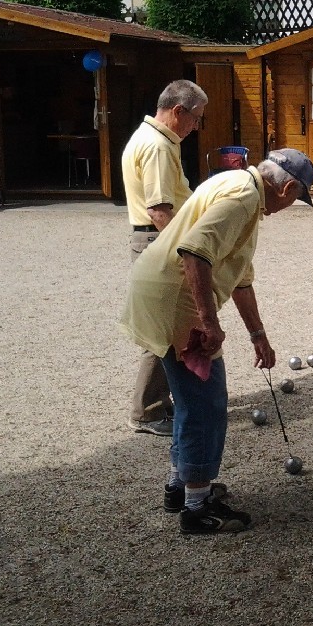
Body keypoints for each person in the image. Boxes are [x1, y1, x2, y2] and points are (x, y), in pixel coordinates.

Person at [118, 148, 313, 534]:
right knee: (205, 403)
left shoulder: (240, 187)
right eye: (297, 197)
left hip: (162, 292)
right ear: (288, 187)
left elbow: (240, 278)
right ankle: (197, 504)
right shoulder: (244, 197)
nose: (292, 205)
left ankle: (181, 485)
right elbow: (194, 252)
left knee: (192, 400)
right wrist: (209, 322)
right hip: (177, 302)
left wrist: (258, 335)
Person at [120, 80, 207, 437]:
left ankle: (161, 402)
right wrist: (184, 249)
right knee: (163, 330)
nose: (197, 126)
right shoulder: (156, 146)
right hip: (158, 238)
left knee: (169, 327)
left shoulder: (150, 137)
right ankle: (147, 410)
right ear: (178, 111)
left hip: (152, 239)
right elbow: (159, 210)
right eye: (196, 118)